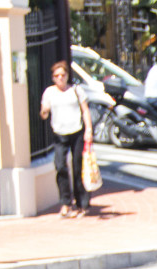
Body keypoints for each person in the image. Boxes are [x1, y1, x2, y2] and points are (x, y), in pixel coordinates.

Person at [39, 60, 93, 218]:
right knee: (60, 166)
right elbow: (44, 112)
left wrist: (88, 129)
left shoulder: (76, 90)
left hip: (76, 131)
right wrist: (44, 112)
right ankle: (65, 202)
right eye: (57, 76)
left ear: (67, 76)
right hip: (60, 133)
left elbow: (85, 110)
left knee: (78, 168)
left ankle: (82, 203)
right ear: (53, 78)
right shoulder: (49, 92)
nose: (60, 78)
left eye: (63, 75)